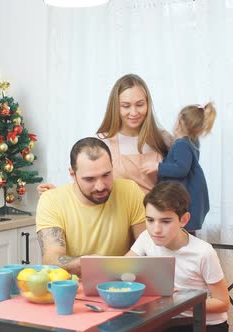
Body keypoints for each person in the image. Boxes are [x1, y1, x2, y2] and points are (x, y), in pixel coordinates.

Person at [37, 73, 173, 195]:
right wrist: (56, 194)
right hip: (119, 220)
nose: (133, 112)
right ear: (115, 107)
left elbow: (184, 180)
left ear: (148, 104)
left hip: (156, 220)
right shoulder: (102, 142)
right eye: (126, 106)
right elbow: (88, 182)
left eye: (140, 104)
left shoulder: (163, 139)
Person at [126, 181, 229, 332]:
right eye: (150, 220)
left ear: (184, 220)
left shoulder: (203, 252)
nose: (156, 230)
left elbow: (222, 302)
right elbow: (122, 267)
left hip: (205, 325)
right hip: (170, 321)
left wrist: (176, 305)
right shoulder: (146, 238)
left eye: (165, 221)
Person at [36, 137, 147, 275]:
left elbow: (148, 246)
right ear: (73, 174)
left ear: (112, 167)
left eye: (106, 175)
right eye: (90, 179)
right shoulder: (51, 200)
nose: (100, 186)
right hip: (72, 289)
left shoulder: (130, 191)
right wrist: (87, 263)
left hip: (121, 284)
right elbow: (51, 260)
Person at [158, 102, 217, 231]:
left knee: (183, 231)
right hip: (191, 193)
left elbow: (181, 169)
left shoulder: (181, 145)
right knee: (187, 233)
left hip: (184, 194)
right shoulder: (193, 141)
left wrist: (158, 167)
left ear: (178, 122)